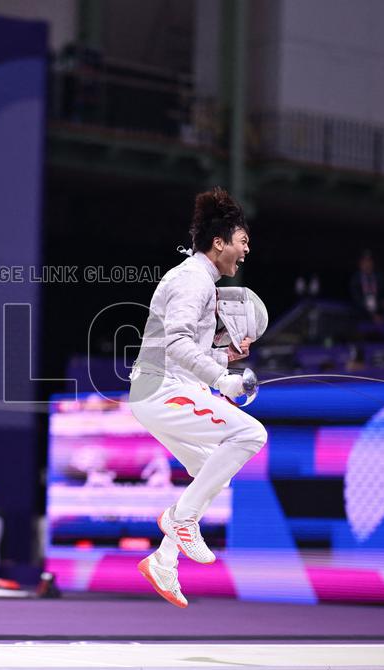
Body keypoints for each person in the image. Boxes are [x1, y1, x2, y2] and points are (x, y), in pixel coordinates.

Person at [129, 187, 268, 609]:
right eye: (242, 241)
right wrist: (222, 380)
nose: (246, 250)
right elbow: (176, 345)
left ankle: (164, 560)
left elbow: (191, 350)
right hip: (162, 389)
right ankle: (181, 519)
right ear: (220, 242)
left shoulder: (199, 278)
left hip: (163, 389)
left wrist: (224, 356)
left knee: (215, 473)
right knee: (250, 435)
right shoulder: (193, 280)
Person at [349, 250, 384, 324]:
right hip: (361, 316)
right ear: (360, 264)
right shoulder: (355, 279)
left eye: (369, 261)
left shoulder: (380, 277)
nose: (367, 264)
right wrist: (372, 315)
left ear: (373, 263)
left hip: (379, 316)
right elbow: (356, 300)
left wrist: (382, 308)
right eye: (364, 262)